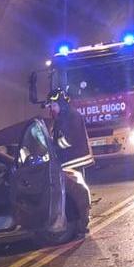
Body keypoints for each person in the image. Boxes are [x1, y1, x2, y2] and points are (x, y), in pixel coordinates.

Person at [44, 88, 93, 237]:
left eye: (54, 105)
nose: (52, 109)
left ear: (62, 104)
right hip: (69, 159)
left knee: (76, 194)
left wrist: (54, 146)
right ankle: (79, 223)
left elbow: (69, 140)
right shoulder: (63, 116)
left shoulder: (71, 116)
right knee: (72, 193)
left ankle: (81, 224)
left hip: (74, 159)